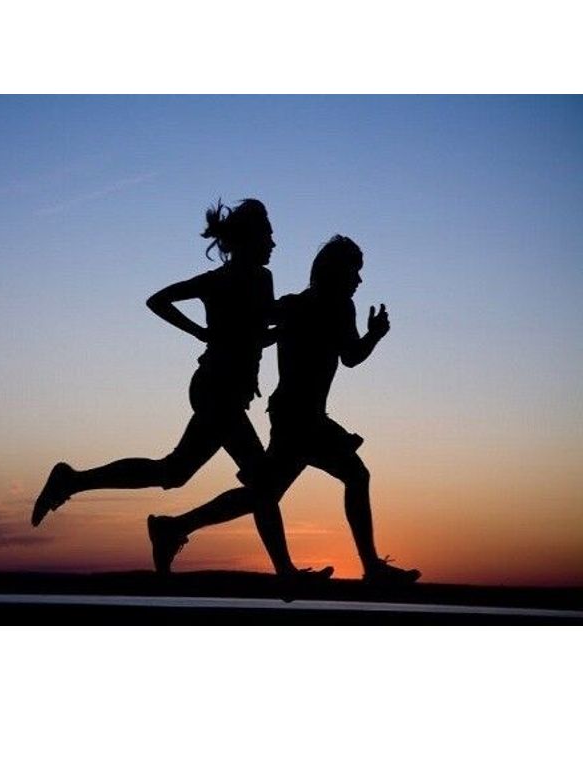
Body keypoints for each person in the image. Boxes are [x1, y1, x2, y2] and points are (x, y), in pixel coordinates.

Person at [147, 235, 420, 584]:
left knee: (263, 494)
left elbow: (350, 356)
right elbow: (255, 326)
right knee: (352, 476)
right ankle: (372, 567)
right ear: (335, 272)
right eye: (355, 271)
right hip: (298, 419)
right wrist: (216, 335)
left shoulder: (328, 307)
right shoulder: (304, 306)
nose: (359, 280)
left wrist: (374, 335)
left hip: (301, 416)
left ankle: (174, 527)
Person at [31, 198, 280, 528]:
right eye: (268, 235)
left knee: (175, 472)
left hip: (228, 393)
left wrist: (288, 323)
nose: (273, 243)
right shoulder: (220, 281)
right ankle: (172, 529)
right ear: (250, 239)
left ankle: (74, 481)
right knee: (263, 482)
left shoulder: (262, 279)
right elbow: (158, 300)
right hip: (216, 390)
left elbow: (258, 334)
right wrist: (200, 332)